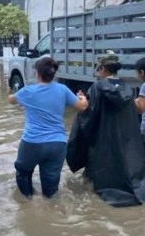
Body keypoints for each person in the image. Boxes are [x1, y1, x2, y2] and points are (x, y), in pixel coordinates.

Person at [68, 54, 145, 207]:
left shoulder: (97, 87)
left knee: (93, 173)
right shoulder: (126, 88)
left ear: (103, 68)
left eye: (98, 68)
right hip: (122, 137)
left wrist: (82, 100)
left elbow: (89, 115)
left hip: (103, 138)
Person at [8, 57, 89, 199]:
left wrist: (20, 98)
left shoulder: (27, 91)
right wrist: (83, 98)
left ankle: (27, 202)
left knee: (23, 172)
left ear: (37, 73)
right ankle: (51, 207)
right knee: (51, 187)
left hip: (32, 143)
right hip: (57, 144)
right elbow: (82, 107)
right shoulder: (62, 90)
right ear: (53, 74)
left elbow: (11, 100)